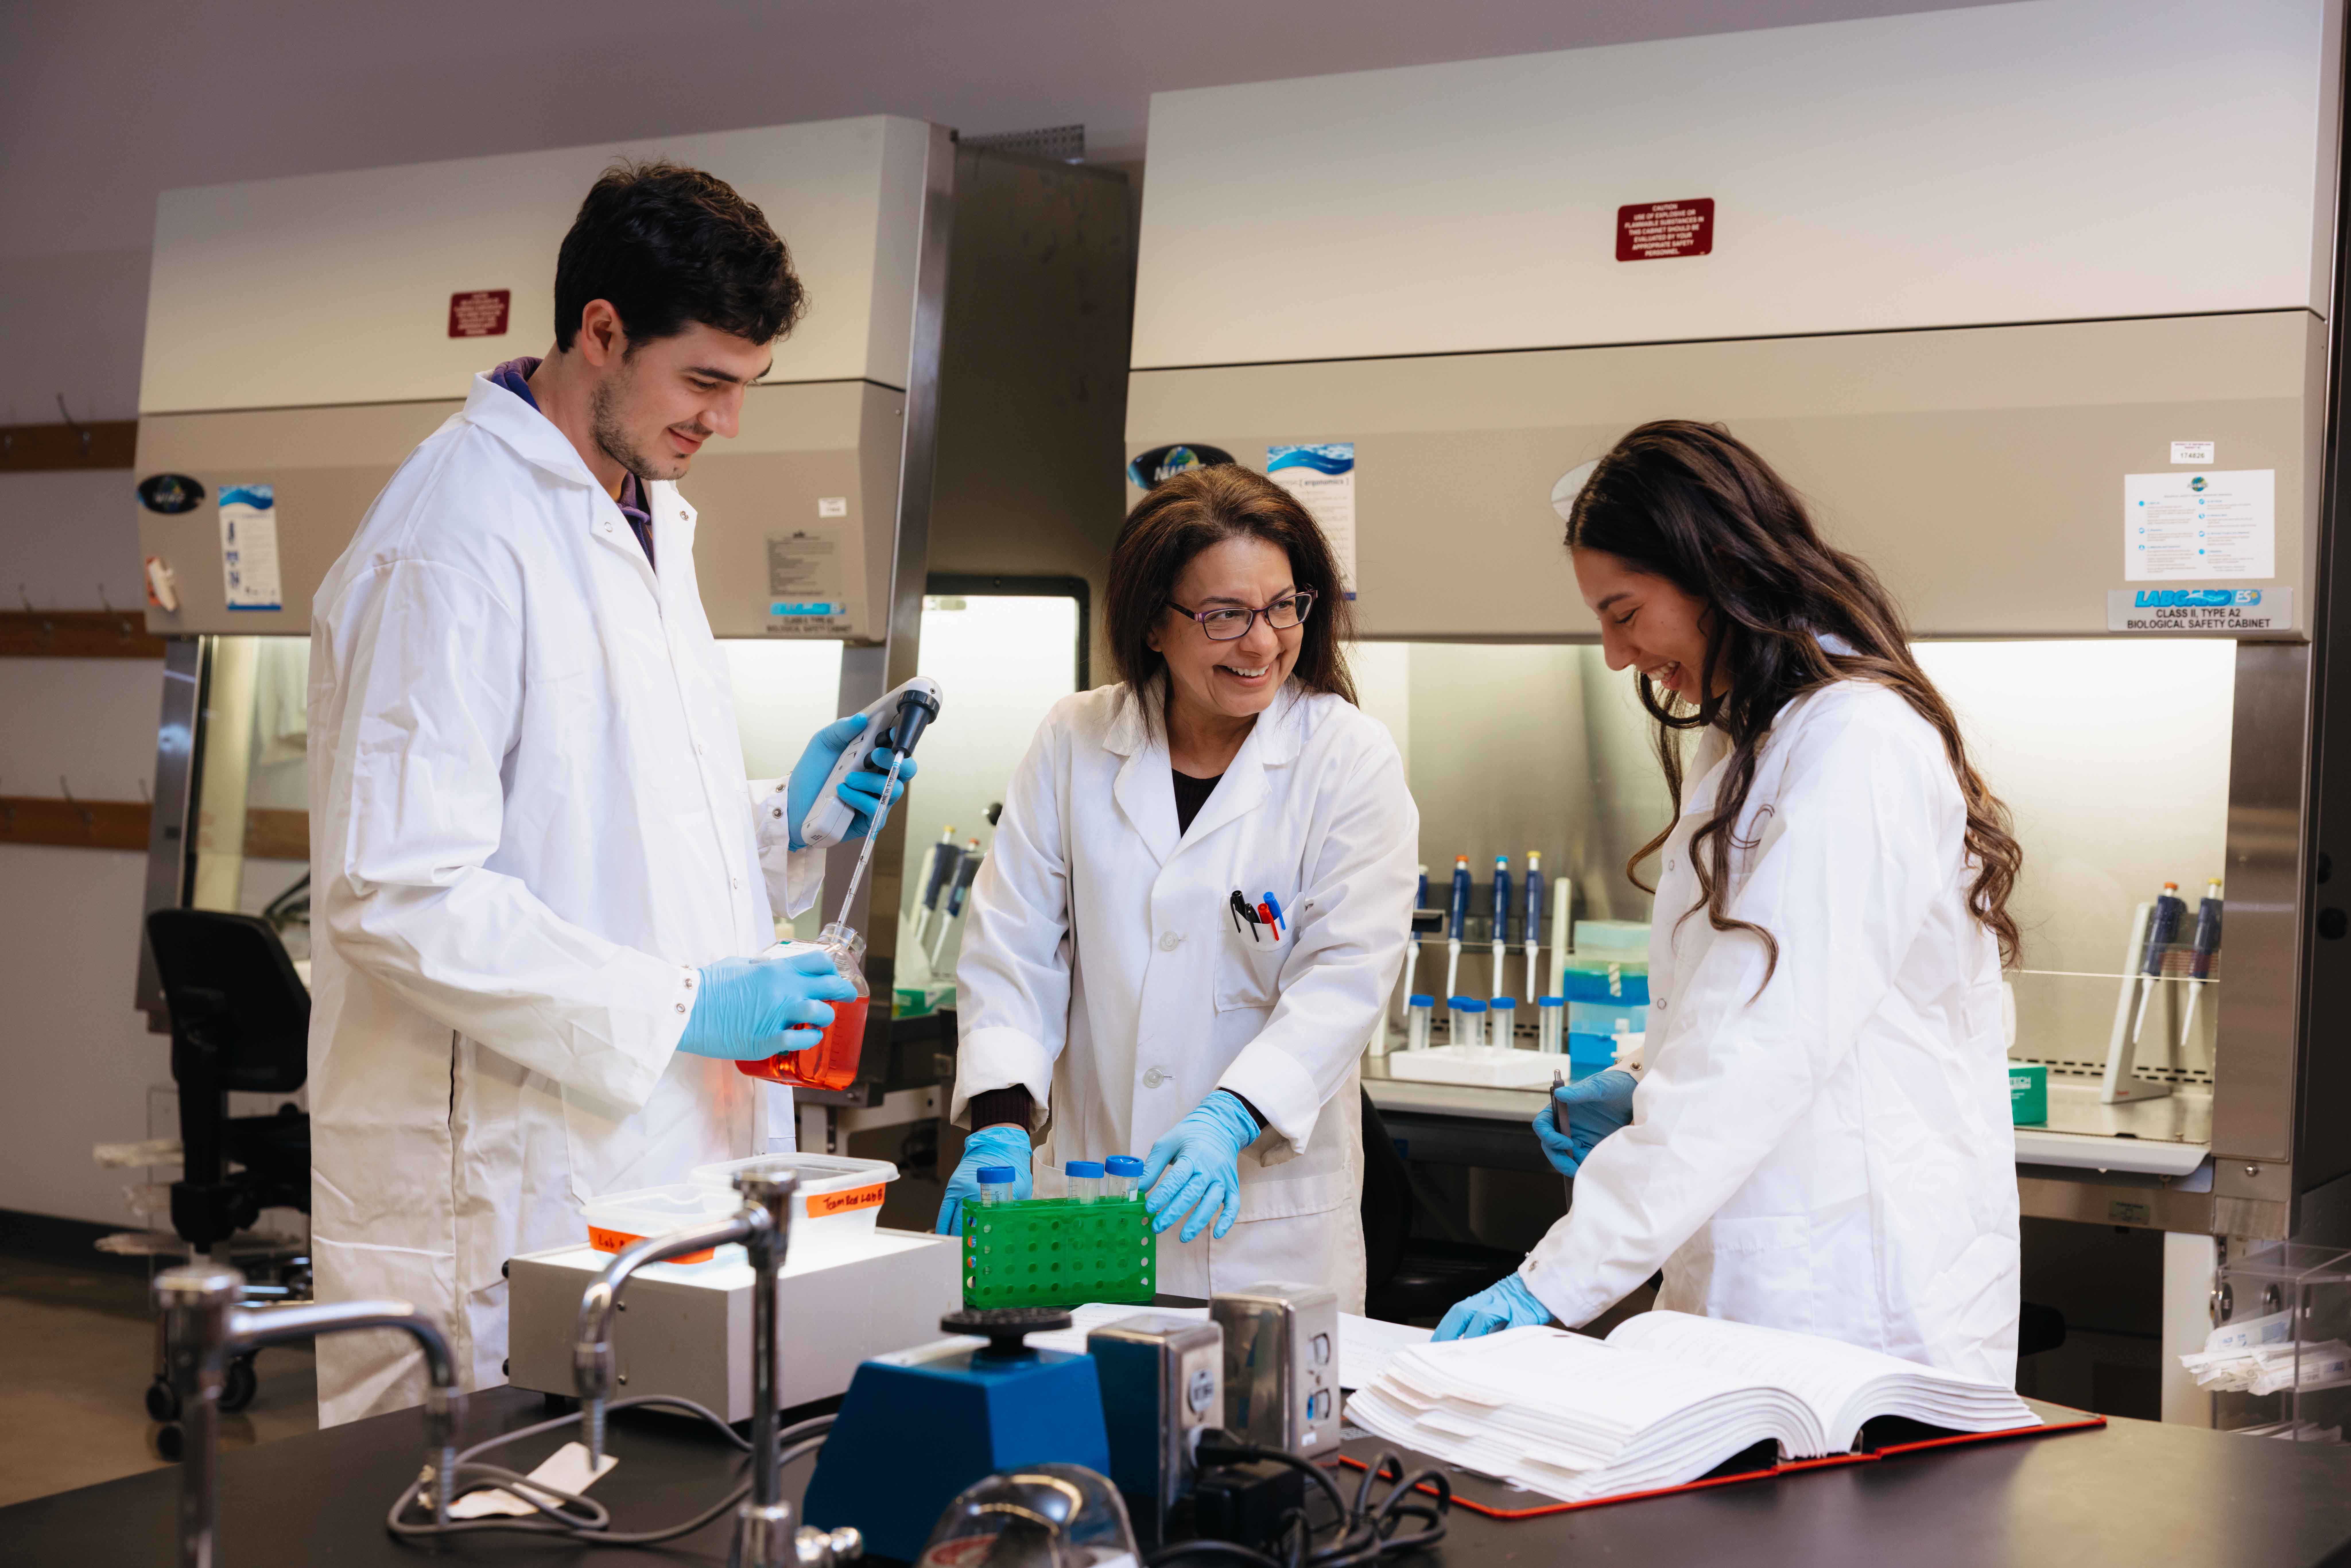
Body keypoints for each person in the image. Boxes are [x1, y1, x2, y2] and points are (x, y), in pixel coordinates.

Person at [307, 161, 911, 1425]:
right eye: (704, 382)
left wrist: (779, 822)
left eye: (743, 388)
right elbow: (396, 890)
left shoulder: (638, 510)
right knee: (503, 1500)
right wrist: (688, 1001)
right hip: (512, 1178)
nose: (724, 423)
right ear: (598, 333)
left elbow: (596, 821)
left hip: (661, 1153)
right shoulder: (452, 538)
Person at [1435, 420, 2024, 1387]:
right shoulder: (1755, 740)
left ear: (1717, 572)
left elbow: (1765, 1038)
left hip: (1856, 1296)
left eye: (1625, 612)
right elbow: (1736, 995)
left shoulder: (1857, 741)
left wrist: (1553, 1284)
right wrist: (1646, 1073)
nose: (1618, 654)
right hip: (1762, 1275)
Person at [941, 465, 1418, 1308]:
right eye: (1225, 616)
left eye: (1282, 607)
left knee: (1258, 1437)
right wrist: (1001, 1129)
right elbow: (1014, 947)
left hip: (1268, 1233)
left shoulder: (1347, 756)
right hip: (1090, 1214)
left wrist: (1228, 1117)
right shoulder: (1076, 738)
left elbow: (1344, 982)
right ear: (1153, 625)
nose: (1264, 643)